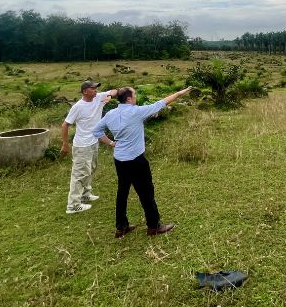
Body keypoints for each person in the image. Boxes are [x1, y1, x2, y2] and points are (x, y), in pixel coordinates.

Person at [92, 85, 193, 237]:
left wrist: (112, 143)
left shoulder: (111, 114)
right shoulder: (136, 112)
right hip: (136, 160)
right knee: (146, 192)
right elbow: (162, 103)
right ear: (128, 98)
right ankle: (153, 226)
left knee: (122, 192)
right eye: (134, 95)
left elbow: (96, 131)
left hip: (119, 160)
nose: (136, 97)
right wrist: (180, 93)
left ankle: (121, 227)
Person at [62, 80, 118, 214]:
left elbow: (115, 91)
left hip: (94, 141)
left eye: (96, 88)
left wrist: (109, 97)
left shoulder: (98, 98)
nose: (96, 90)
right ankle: (73, 205)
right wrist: (65, 144)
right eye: (93, 89)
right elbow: (65, 125)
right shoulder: (78, 107)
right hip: (82, 145)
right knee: (79, 173)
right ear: (85, 91)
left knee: (91, 168)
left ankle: (85, 194)